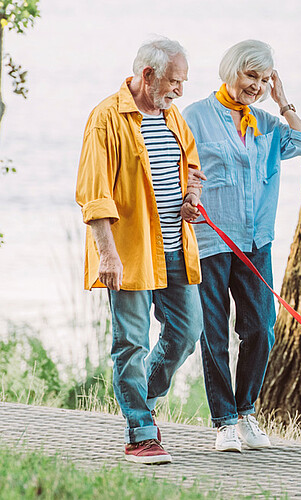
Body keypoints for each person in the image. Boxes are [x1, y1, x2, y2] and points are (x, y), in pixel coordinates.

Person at [75, 37, 206, 465]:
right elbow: (94, 194)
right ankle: (140, 433)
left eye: (183, 82)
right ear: (147, 76)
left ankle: (140, 401)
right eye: (174, 81)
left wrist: (191, 195)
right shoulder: (106, 119)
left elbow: (192, 165)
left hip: (174, 249)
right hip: (129, 251)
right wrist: (107, 254)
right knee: (131, 342)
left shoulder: (172, 115)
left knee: (187, 332)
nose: (179, 91)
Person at [182, 40, 301, 452]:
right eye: (249, 76)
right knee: (214, 332)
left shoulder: (267, 122)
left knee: (260, 328)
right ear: (231, 72)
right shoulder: (195, 117)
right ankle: (223, 422)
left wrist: (283, 101)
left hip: (256, 240)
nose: (255, 85)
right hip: (210, 239)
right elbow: (177, 166)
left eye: (263, 78)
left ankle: (246, 412)